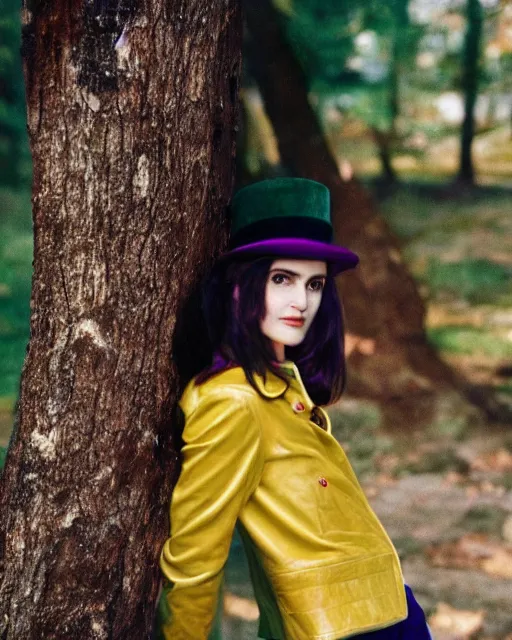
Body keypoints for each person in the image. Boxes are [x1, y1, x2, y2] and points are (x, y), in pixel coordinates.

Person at [160, 178, 432, 640]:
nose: (301, 301)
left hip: (384, 609)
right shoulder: (231, 401)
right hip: (340, 627)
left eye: (315, 283)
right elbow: (195, 557)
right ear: (240, 286)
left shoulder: (282, 386)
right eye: (281, 279)